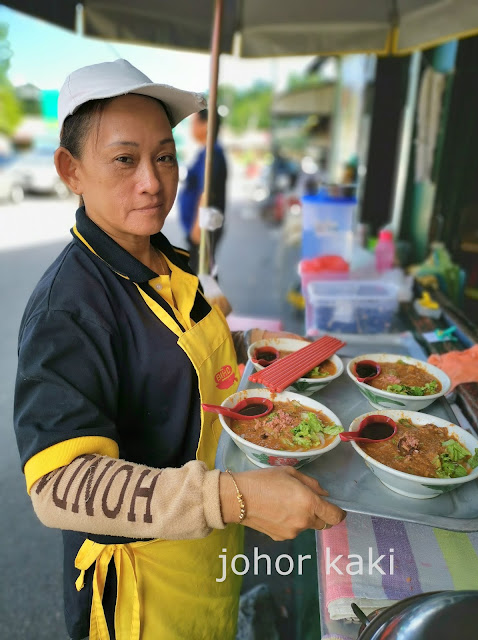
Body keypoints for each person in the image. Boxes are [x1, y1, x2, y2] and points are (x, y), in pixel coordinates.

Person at [13, 59, 345, 640]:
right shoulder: (69, 309)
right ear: (71, 170)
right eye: (124, 159)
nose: (152, 181)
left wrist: (260, 351)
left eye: (164, 156)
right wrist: (235, 497)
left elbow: (180, 359)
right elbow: (58, 485)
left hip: (208, 546)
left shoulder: (167, 260)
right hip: (142, 588)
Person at [178, 108, 227, 273]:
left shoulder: (212, 154)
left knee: (202, 276)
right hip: (199, 226)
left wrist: (199, 226)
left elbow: (206, 191)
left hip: (203, 227)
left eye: (194, 122)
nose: (191, 127)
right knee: (202, 271)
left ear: (206, 125)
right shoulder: (205, 152)